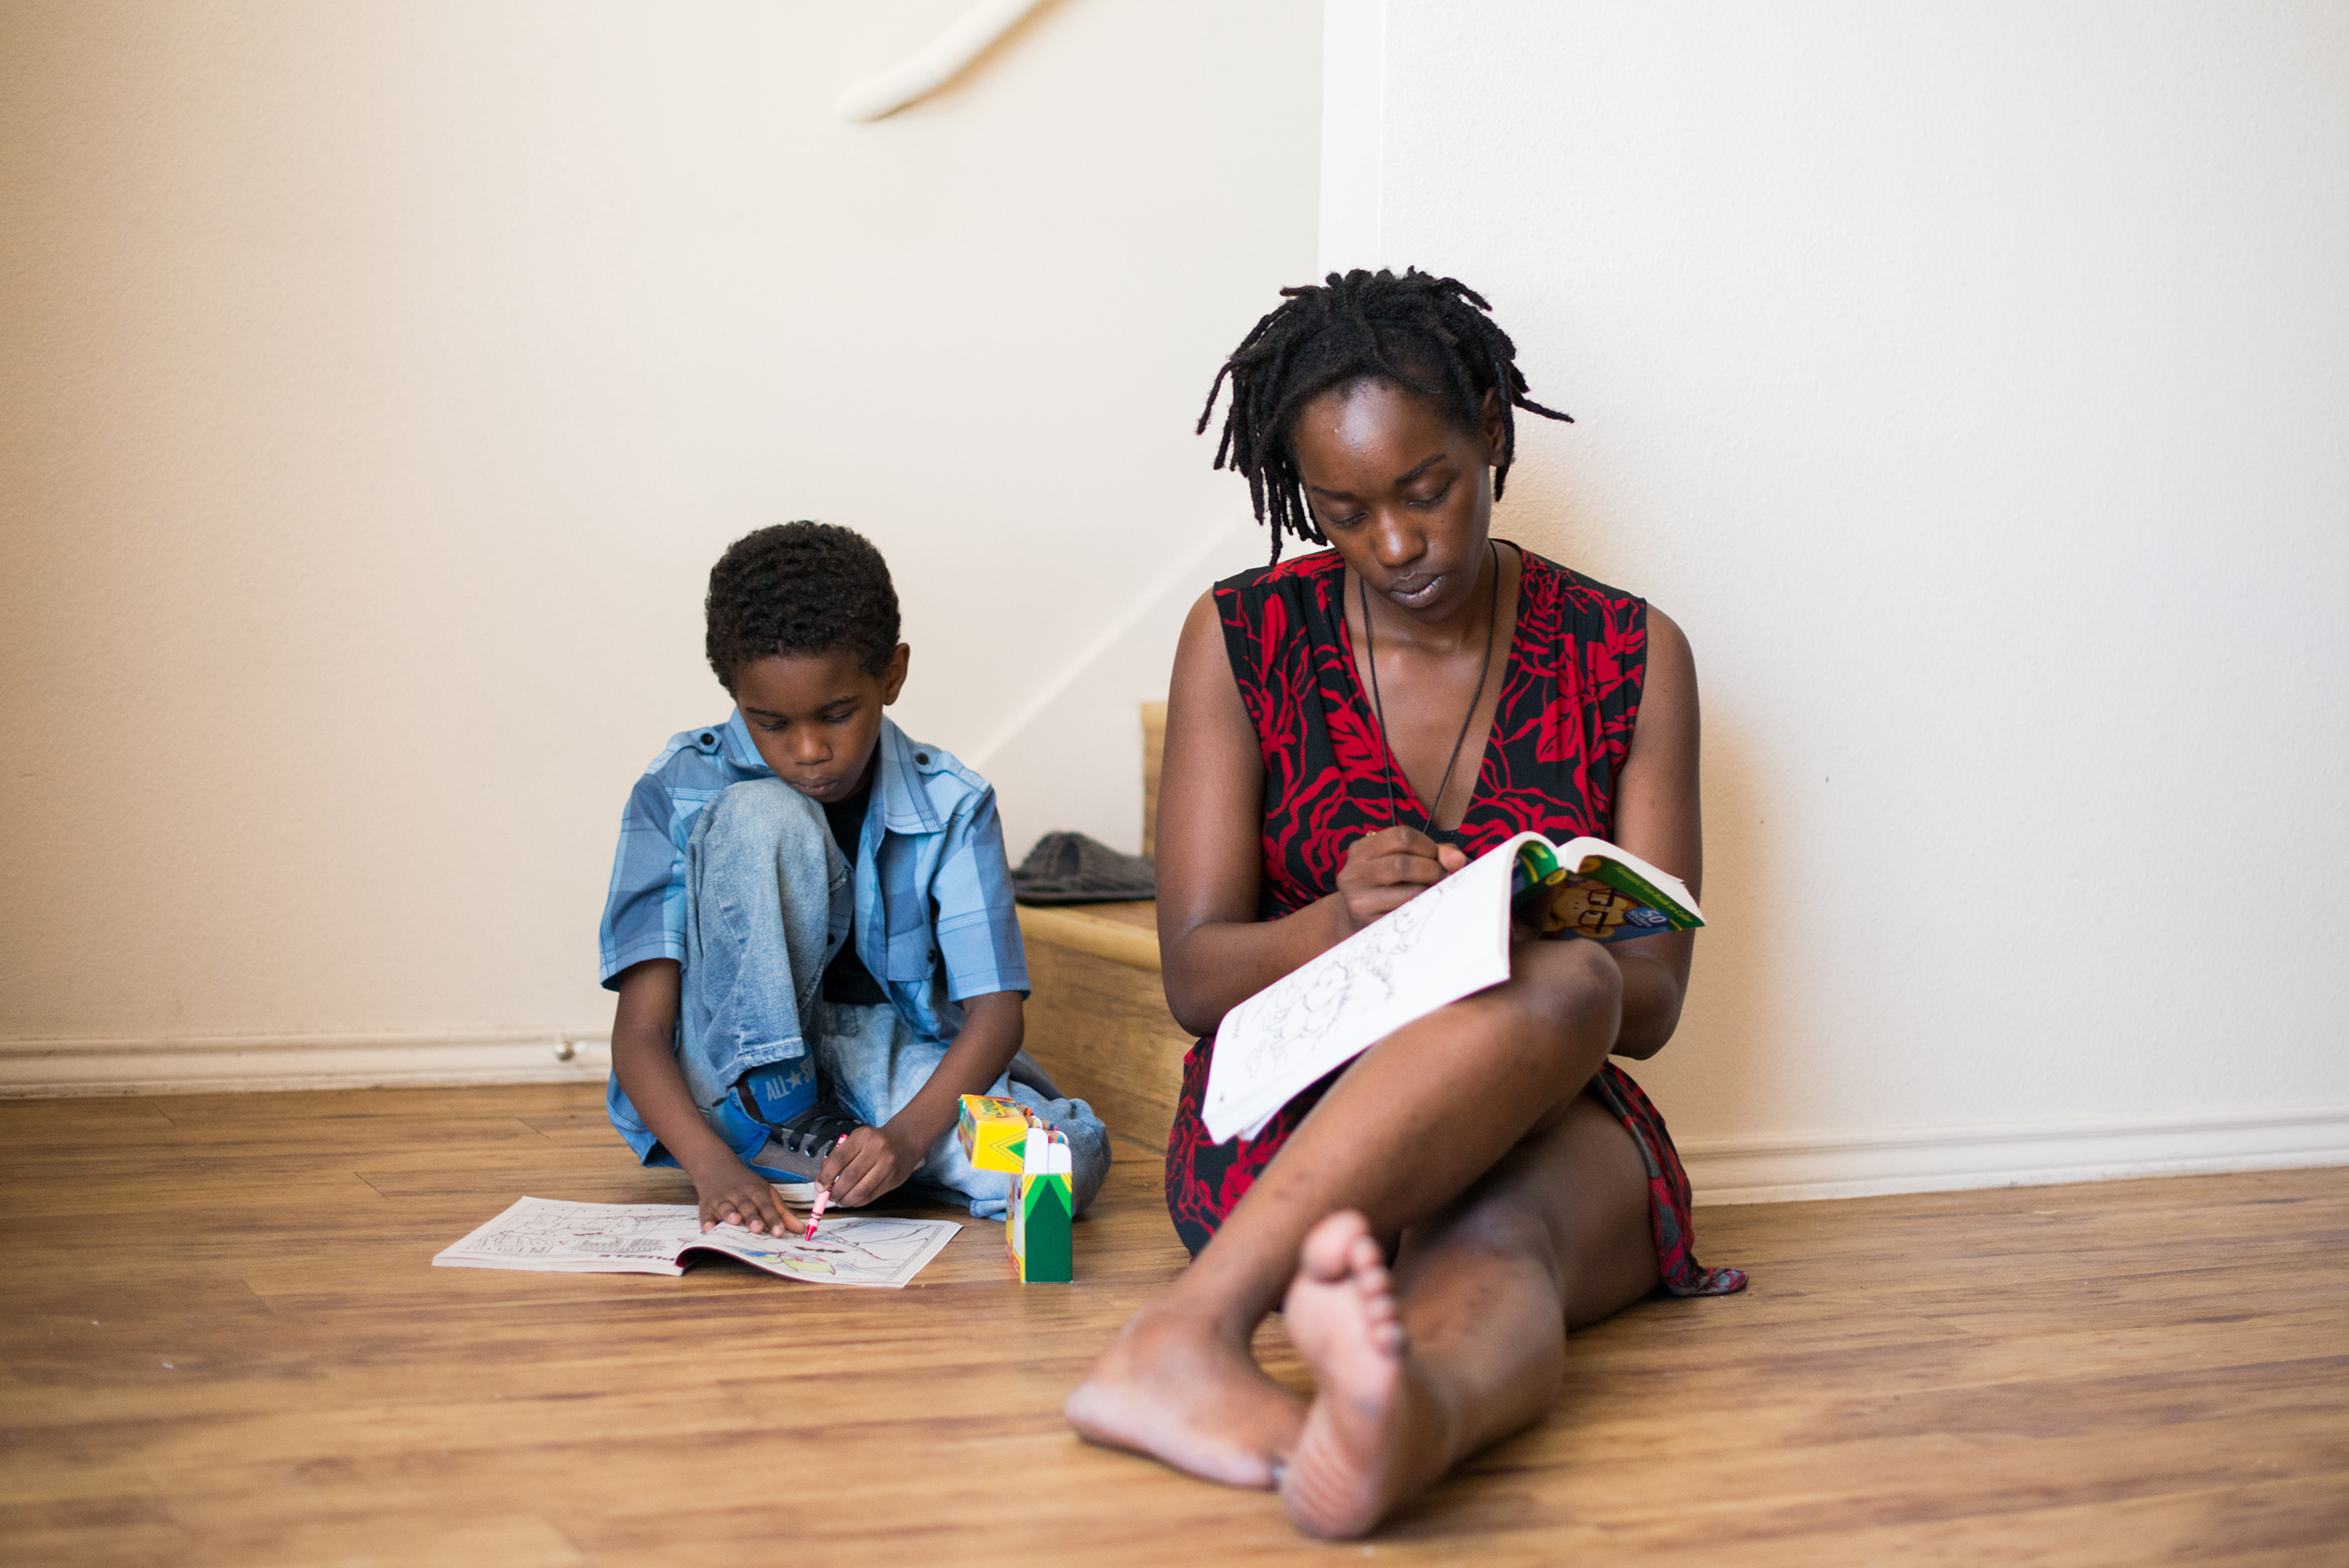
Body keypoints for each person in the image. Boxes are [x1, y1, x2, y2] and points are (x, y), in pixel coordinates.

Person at [1065, 270, 1744, 1538]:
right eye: (1342, 511)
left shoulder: (1629, 652)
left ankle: (1395, 1421)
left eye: (1422, 490)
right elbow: (1195, 976)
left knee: (1549, 1074)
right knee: (1562, 985)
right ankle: (1190, 1329)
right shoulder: (1239, 639)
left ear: (1489, 427)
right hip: (1301, 1114)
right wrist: (1337, 919)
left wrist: (1511, 915)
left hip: (1542, 1101)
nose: (1391, 544)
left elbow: (1649, 998)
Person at [599, 521, 1107, 1236]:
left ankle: (839, 1159)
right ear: (734, 694)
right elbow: (643, 1032)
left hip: (883, 1064)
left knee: (1063, 1159)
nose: (808, 750)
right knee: (760, 813)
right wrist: (711, 1168)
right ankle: (771, 1121)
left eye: (837, 714)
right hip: (721, 1080)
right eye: (769, 722)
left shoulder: (952, 804)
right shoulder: (678, 788)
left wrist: (903, 1137)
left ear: (891, 675)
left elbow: (995, 1013)